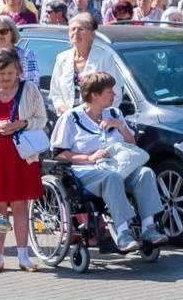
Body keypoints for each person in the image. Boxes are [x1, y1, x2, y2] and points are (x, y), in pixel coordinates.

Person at [49, 71, 167, 252]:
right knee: (111, 178)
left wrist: (119, 126)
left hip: (119, 166)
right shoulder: (71, 118)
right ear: (95, 95)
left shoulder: (115, 113)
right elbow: (58, 153)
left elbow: (132, 144)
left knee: (145, 173)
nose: (114, 95)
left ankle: (148, 228)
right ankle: (123, 233)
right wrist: (88, 157)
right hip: (87, 172)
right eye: (109, 91)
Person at [0, 47, 48, 275]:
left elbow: (40, 119)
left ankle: (24, 256)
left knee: (20, 206)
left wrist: (22, 123)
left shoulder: (30, 90)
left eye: (10, 74)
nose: (5, 78)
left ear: (19, 72)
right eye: (1, 73)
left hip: (21, 156)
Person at [49, 14, 118, 118]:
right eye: (73, 29)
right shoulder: (62, 58)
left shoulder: (104, 57)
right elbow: (55, 94)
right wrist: (68, 112)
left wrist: (98, 116)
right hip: (69, 119)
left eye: (81, 29)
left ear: (92, 34)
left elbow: (115, 93)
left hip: (98, 120)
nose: (76, 33)